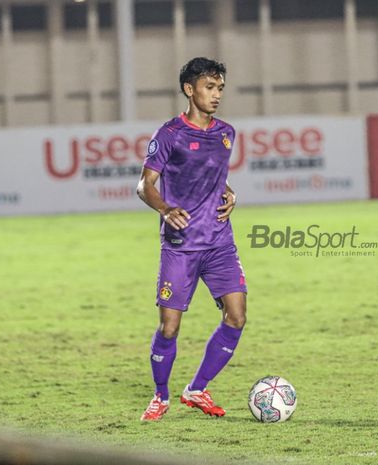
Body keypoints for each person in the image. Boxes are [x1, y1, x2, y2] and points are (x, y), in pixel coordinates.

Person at [136, 57, 247, 421]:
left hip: (219, 243)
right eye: (209, 88)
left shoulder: (226, 133)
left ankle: (197, 388)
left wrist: (230, 193)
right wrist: (166, 209)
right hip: (181, 245)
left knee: (237, 316)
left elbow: (213, 177)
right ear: (189, 89)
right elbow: (144, 185)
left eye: (220, 89)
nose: (216, 95)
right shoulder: (169, 134)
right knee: (169, 327)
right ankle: (160, 396)